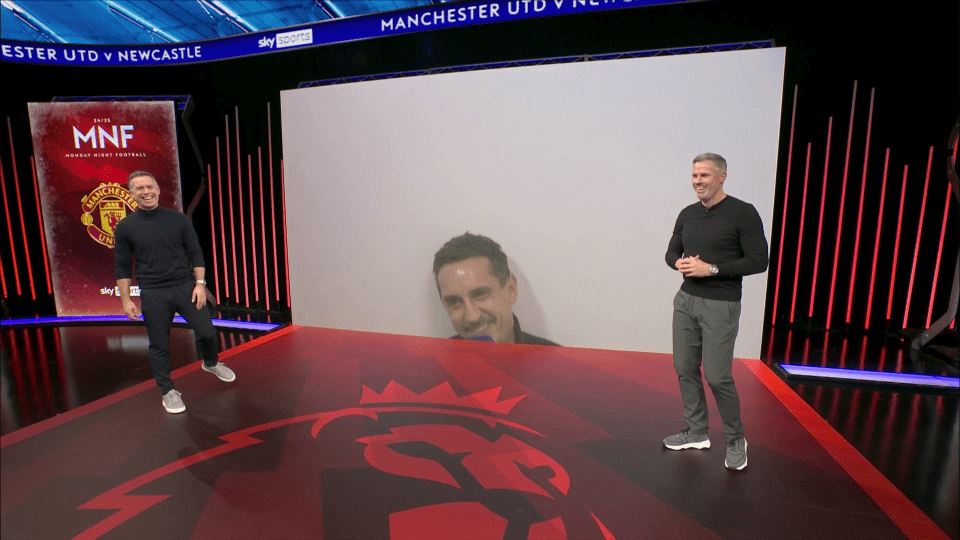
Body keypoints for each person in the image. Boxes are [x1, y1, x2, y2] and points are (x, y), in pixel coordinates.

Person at [662, 153, 768, 471]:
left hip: (721, 305)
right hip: (686, 301)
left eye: (705, 176)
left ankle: (736, 440)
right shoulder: (687, 214)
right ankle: (696, 432)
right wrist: (676, 263)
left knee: (718, 376)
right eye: (695, 176)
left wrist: (712, 269)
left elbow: (759, 260)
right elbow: (671, 251)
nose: (698, 182)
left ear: (722, 177)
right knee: (684, 367)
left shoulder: (743, 213)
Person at [114, 171, 235, 414]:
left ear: (158, 189)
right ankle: (168, 391)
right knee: (158, 344)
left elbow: (196, 253)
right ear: (132, 194)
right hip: (153, 292)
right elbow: (122, 265)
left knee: (208, 332)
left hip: (185, 287)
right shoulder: (125, 227)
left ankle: (211, 363)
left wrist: (200, 283)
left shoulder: (178, 220)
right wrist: (126, 300)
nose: (146, 192)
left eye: (150, 186)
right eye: (140, 189)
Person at [433, 232, 557, 346]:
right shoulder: (434, 367)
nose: (472, 317)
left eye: (480, 294)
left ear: (511, 289)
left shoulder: (557, 365)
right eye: (454, 302)